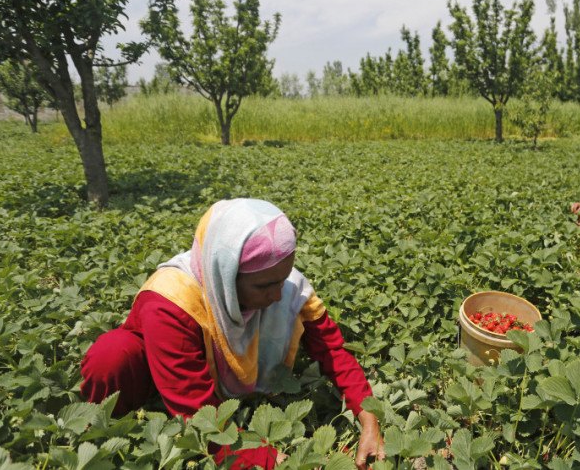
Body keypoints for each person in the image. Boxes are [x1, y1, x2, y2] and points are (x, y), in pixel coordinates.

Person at [81, 199, 384, 469]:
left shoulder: (281, 281)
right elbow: (195, 412)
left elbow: (332, 351)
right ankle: (97, 433)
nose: (279, 295)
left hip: (203, 381)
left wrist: (368, 418)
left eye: (283, 278)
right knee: (112, 355)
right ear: (224, 276)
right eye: (265, 286)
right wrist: (264, 459)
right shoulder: (170, 301)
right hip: (163, 376)